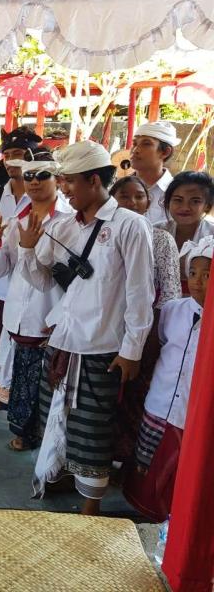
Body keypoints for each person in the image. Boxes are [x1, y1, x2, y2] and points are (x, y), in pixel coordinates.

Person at [22, 140, 154, 515]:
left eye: (69, 181)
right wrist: (28, 248)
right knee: (58, 416)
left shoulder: (130, 226)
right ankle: (59, 473)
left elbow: (140, 292)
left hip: (102, 344)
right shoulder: (64, 226)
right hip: (63, 339)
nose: (63, 189)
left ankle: (91, 502)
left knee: (92, 426)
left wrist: (131, 351)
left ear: (94, 180)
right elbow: (42, 281)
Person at [0, 154, 72, 449]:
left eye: (42, 175)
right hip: (18, 308)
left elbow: (56, 277)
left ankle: (47, 438)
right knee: (22, 375)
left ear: (58, 180)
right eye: (28, 177)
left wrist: (29, 249)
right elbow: (1, 269)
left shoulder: (69, 221)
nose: (34, 182)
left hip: (50, 310)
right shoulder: (15, 220)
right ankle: (23, 431)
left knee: (47, 379)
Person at [123, 235, 211, 522]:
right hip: (160, 401)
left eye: (207, 275)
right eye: (193, 273)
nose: (197, 281)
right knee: (148, 460)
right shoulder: (173, 310)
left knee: (180, 467)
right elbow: (161, 342)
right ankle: (142, 511)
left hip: (190, 412)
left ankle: (173, 518)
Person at [109, 175, 182, 464]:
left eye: (139, 196)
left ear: (149, 201)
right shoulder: (104, 234)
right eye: (124, 196)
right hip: (107, 326)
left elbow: (170, 293)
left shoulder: (161, 239)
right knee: (106, 395)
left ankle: (127, 461)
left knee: (135, 395)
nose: (133, 202)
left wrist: (147, 338)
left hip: (146, 330)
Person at [0, 128, 43, 414]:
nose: (13, 160)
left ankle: (17, 397)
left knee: (26, 345)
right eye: (9, 155)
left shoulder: (42, 195)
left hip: (33, 286)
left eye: (20, 155)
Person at [157, 171, 214, 291]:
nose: (185, 207)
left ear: (207, 206)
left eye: (195, 201)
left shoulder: (212, 235)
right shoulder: (155, 232)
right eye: (178, 200)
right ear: (167, 202)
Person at [129, 121, 179, 225]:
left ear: (165, 152)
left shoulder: (177, 193)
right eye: (134, 143)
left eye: (146, 144)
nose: (135, 150)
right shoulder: (118, 189)